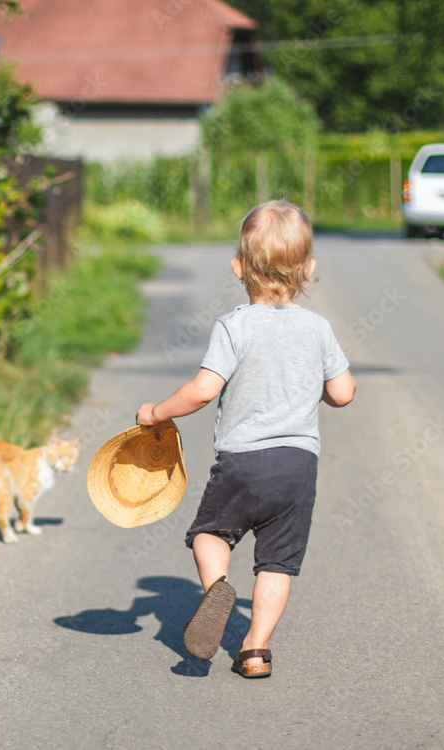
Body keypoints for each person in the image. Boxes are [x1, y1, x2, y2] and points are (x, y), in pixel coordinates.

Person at [136, 200, 355, 678]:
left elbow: (202, 391)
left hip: (242, 463)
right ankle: (255, 649)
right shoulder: (318, 329)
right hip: (298, 466)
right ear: (309, 268)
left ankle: (218, 585)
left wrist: (155, 412)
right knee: (278, 563)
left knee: (209, 534)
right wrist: (305, 388)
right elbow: (344, 392)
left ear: (238, 268)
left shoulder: (234, 326)